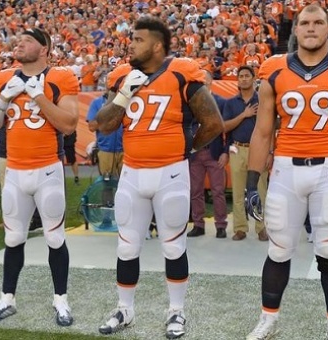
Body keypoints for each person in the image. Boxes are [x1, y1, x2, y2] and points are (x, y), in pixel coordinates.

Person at [244, 5, 328, 339]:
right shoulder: (273, 69)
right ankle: (268, 319)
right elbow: (262, 132)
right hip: (286, 171)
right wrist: (250, 183)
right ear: (296, 30)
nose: (311, 28)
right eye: (305, 22)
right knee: (278, 250)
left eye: (319, 22)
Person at [94, 17, 223, 338]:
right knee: (127, 246)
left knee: (174, 246)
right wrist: (125, 93)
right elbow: (103, 124)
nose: (130, 44)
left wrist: (184, 148)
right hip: (133, 173)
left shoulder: (181, 72)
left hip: (171, 173)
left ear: (156, 45)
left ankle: (176, 311)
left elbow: (213, 123)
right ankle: (125, 309)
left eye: (137, 40)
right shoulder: (124, 76)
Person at [0, 28, 79, 327]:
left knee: (54, 237)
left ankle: (60, 299)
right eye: (18, 40)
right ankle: (7, 298)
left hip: (48, 168)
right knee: (13, 238)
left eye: (27, 41)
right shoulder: (4, 78)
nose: (19, 44)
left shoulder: (61, 77)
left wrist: (38, 95)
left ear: (45, 48)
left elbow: (69, 125)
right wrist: (3, 99)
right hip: (15, 170)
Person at [222, 65, 270, 241]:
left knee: (261, 190)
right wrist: (244, 114)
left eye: (246, 75)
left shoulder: (263, 101)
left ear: (253, 78)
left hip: (259, 149)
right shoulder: (231, 103)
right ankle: (240, 228)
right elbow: (225, 126)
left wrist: (270, 151)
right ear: (237, 80)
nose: (243, 78)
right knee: (237, 191)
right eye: (240, 76)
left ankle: (261, 227)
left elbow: (270, 127)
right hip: (237, 148)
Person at [186, 70, 229, 239]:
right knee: (195, 191)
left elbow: (226, 130)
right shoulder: (190, 103)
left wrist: (225, 152)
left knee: (218, 190)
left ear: (211, 82)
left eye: (205, 81)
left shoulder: (221, 102)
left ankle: (220, 225)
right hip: (196, 153)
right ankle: (198, 224)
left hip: (214, 152)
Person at [86, 93, 123, 178]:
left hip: (126, 151)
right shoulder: (97, 102)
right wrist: (109, 119)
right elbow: (91, 126)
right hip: (105, 150)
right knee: (107, 185)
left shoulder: (127, 101)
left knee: (127, 185)